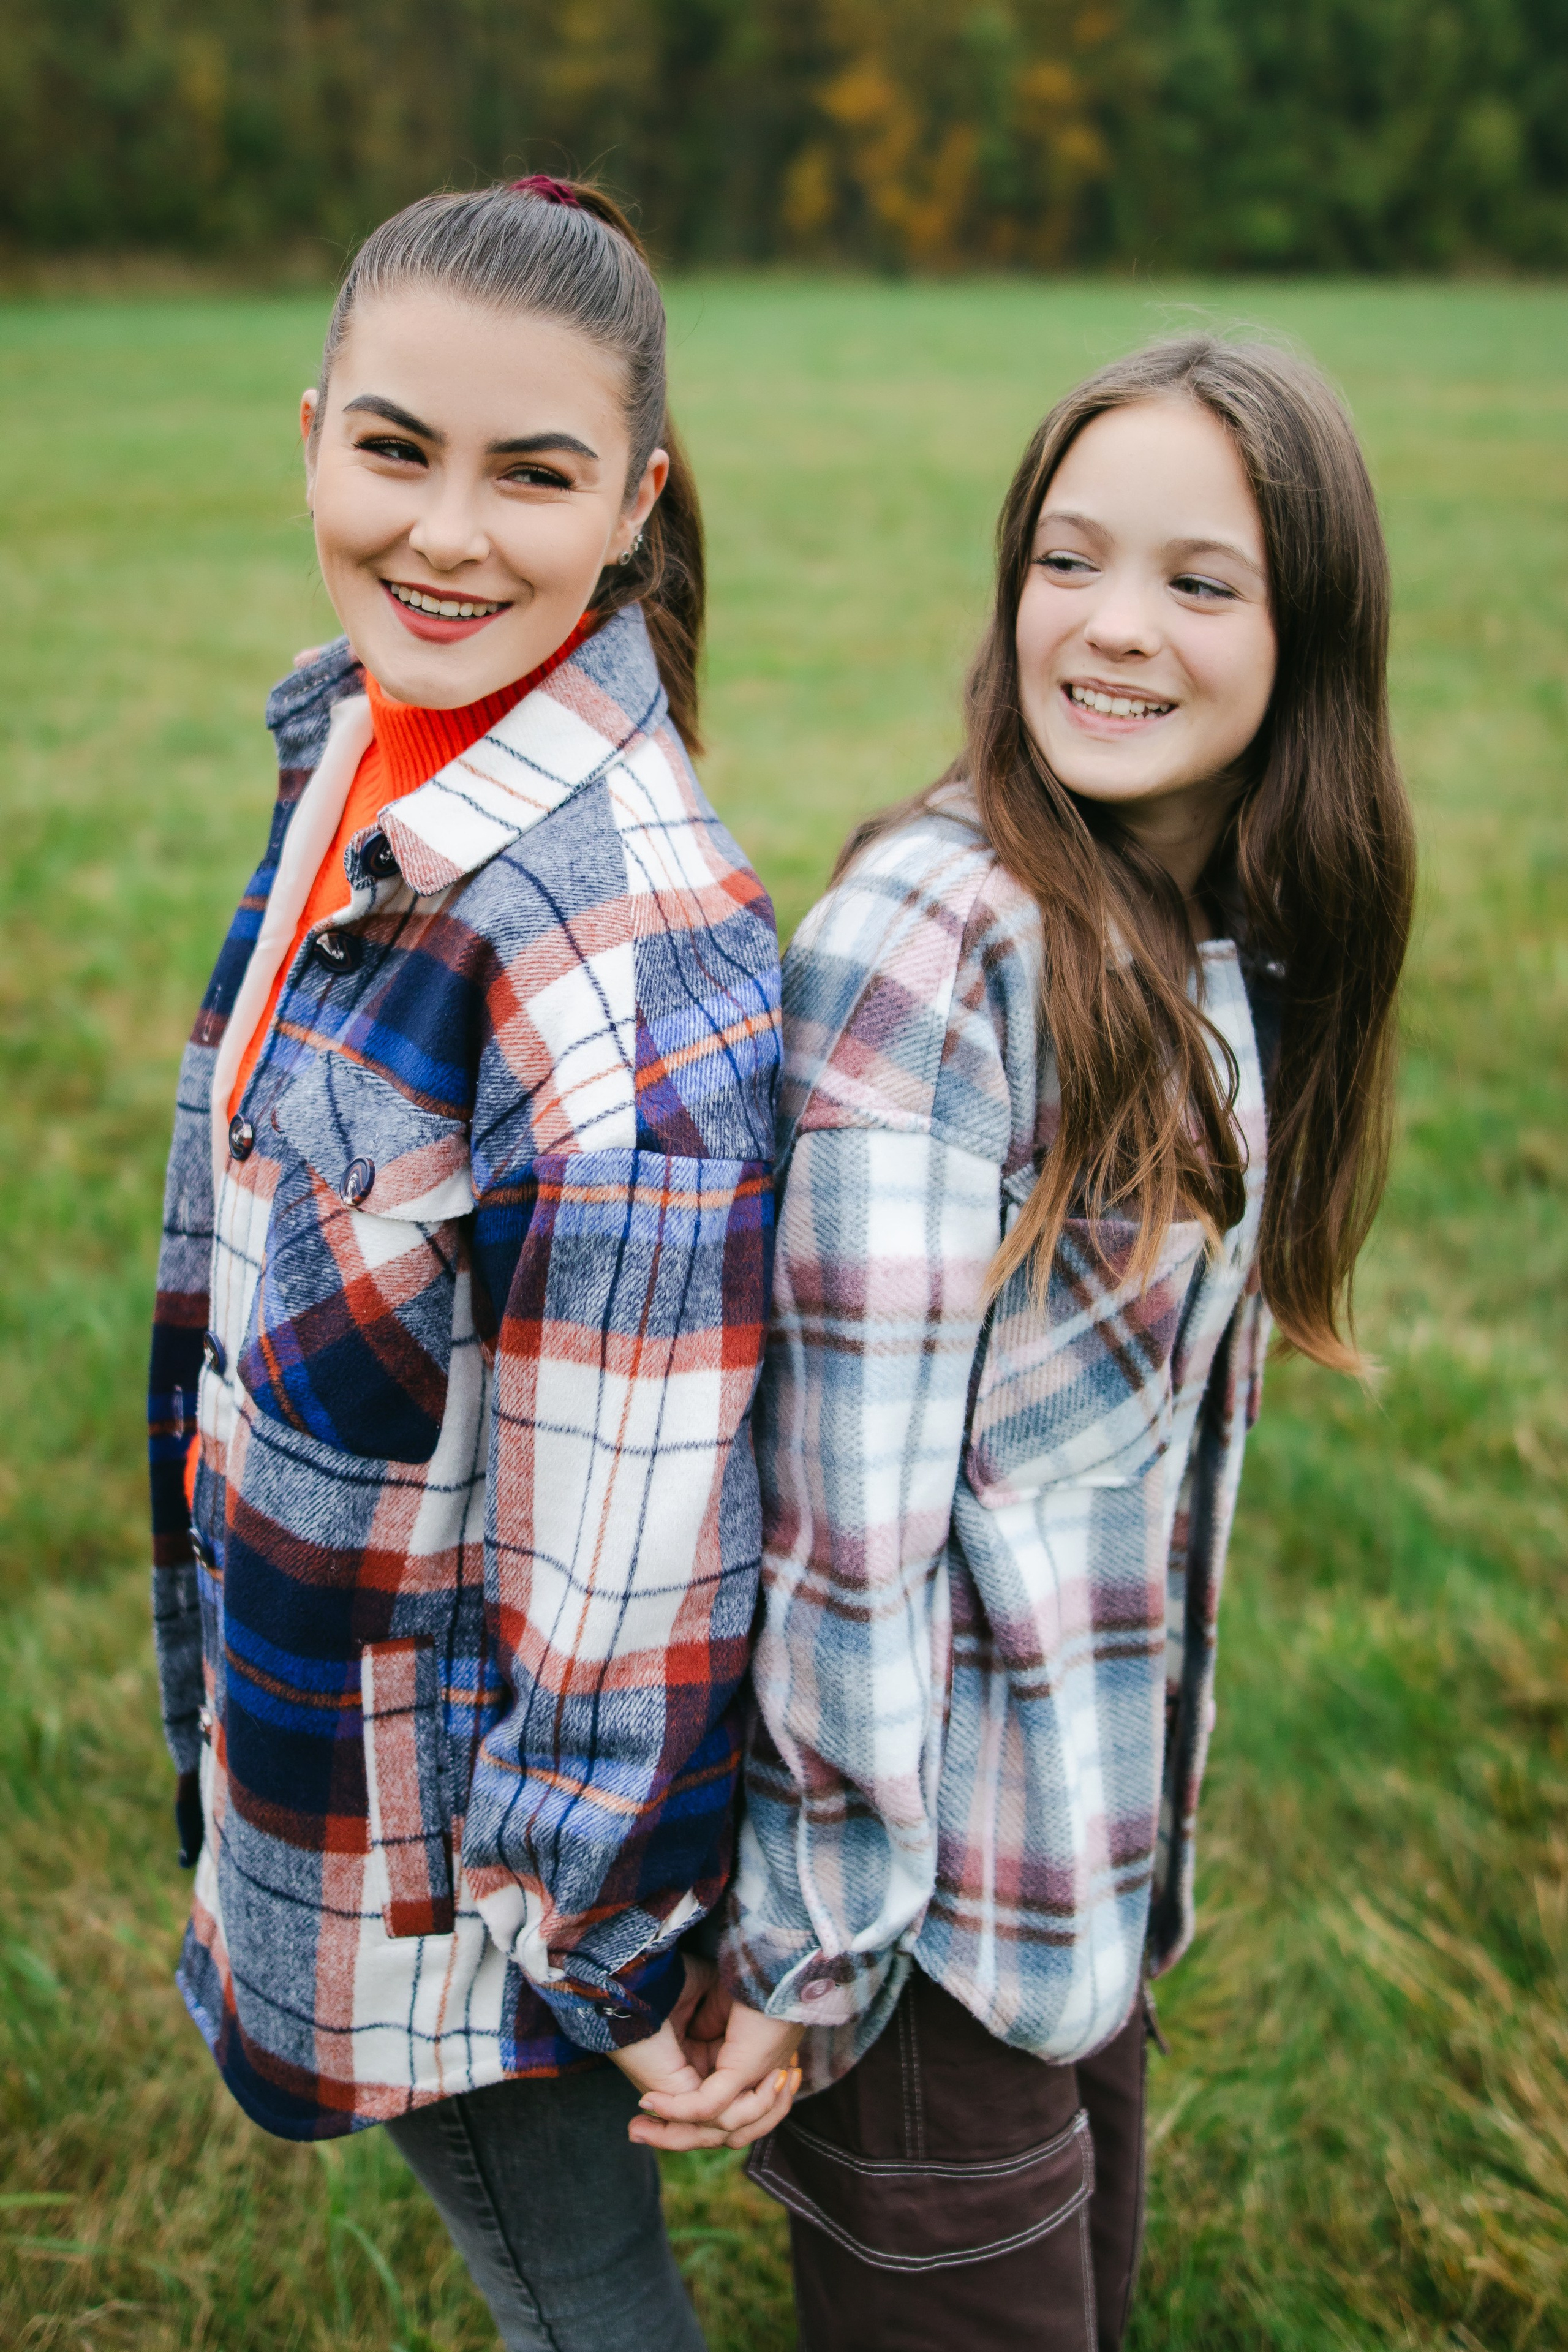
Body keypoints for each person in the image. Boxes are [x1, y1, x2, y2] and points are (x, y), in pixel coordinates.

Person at [634, 336, 1417, 2350]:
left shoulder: (1215, 926)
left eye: (1197, 580)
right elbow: (844, 1517)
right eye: (1067, 561)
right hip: (926, 1947)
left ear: (1310, 634)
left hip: (1087, 1883)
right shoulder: (939, 943)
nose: (1110, 627)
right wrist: (811, 1951)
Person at [146, 175, 789, 2352]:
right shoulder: (361, 741)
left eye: (534, 475)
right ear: (313, 429)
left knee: (580, 2301)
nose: (447, 533)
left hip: (471, 1878)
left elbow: (625, 1547)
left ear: (635, 508)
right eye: (398, 449)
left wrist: (586, 1940)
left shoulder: (610, 946)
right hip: (326, 1726)